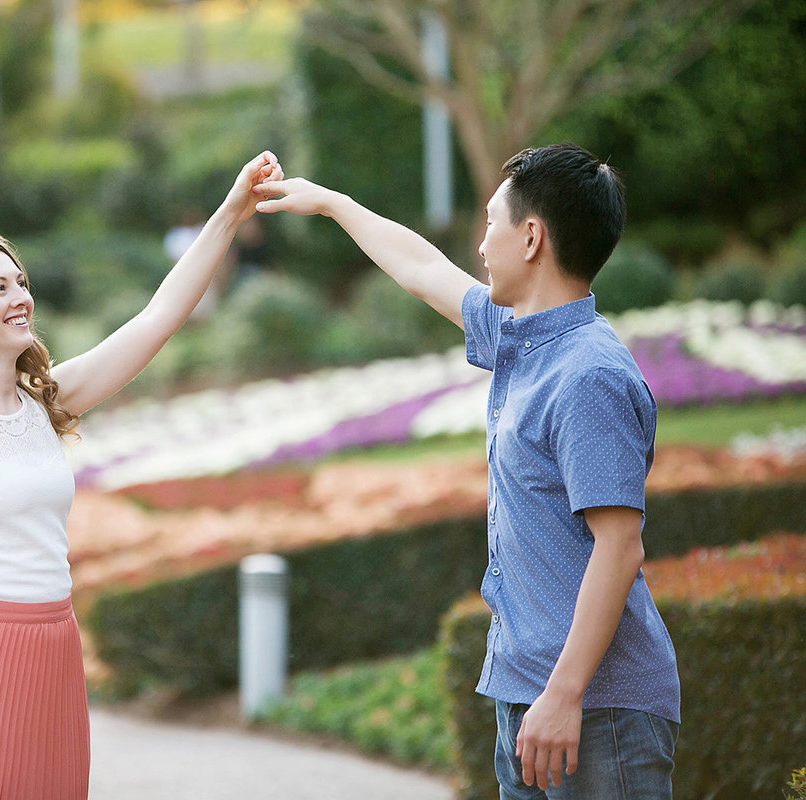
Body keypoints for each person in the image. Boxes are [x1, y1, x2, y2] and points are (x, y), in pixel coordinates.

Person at [0, 151, 282, 799]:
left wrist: (233, 209)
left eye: (20, 282)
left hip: (54, 650)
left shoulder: (47, 399)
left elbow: (159, 318)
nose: (22, 298)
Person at [254, 143, 679, 799]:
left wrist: (564, 695)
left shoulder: (587, 374)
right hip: (528, 694)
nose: (481, 245)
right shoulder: (521, 337)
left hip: (595, 710)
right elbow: (423, 269)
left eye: (490, 224)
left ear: (532, 236)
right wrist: (334, 205)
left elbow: (619, 546)